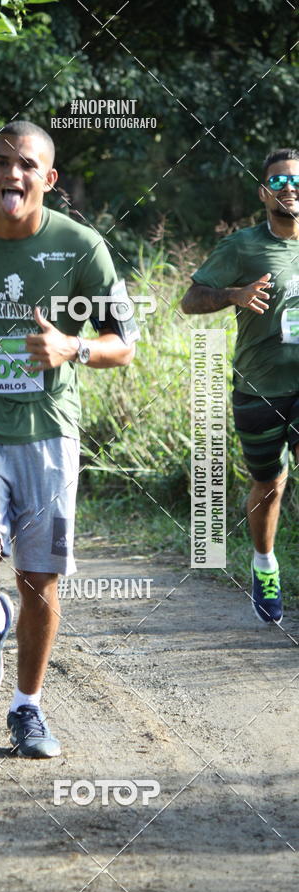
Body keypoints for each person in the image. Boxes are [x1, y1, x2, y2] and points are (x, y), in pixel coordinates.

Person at [0, 120, 136, 757]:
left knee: (41, 580)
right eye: (1, 162)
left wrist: (73, 346)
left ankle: (27, 709)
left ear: (49, 178)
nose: (13, 174)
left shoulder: (83, 245)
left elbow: (124, 345)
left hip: (49, 431)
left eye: (27, 165)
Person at [181, 148, 299, 625]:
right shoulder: (243, 247)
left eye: (295, 180)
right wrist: (233, 294)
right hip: (260, 387)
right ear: (263, 192)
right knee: (268, 483)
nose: (288, 188)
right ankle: (264, 562)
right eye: (277, 183)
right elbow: (190, 300)